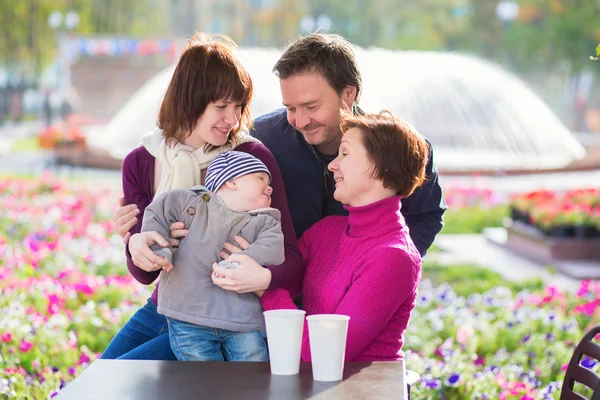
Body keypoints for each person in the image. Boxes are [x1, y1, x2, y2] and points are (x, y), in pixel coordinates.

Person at [101, 33, 302, 360]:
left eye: (238, 107)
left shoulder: (251, 159)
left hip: (224, 317)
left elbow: (290, 255)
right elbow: (145, 274)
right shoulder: (141, 161)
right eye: (221, 106)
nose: (233, 119)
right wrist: (135, 246)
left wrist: (262, 274)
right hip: (166, 306)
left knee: (122, 383)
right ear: (189, 99)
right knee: (98, 383)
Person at [211, 32, 445, 294]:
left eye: (311, 106)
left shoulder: (401, 148)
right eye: (290, 108)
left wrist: (383, 270)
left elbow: (427, 215)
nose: (300, 121)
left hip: (355, 298)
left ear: (348, 94)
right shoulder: (259, 143)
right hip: (272, 295)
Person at [221, 110, 427, 361]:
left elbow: (325, 351)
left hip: (364, 388)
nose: (332, 165)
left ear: (381, 165)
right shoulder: (326, 231)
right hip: (311, 382)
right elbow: (279, 275)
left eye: (346, 153)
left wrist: (265, 287)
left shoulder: (394, 257)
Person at [142, 151, 284, 361]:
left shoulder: (266, 221)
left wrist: (242, 260)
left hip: (242, 320)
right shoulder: (191, 203)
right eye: (261, 178)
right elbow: (157, 213)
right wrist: (159, 247)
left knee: (253, 371)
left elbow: (274, 250)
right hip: (189, 315)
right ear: (233, 181)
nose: (270, 186)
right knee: (203, 378)